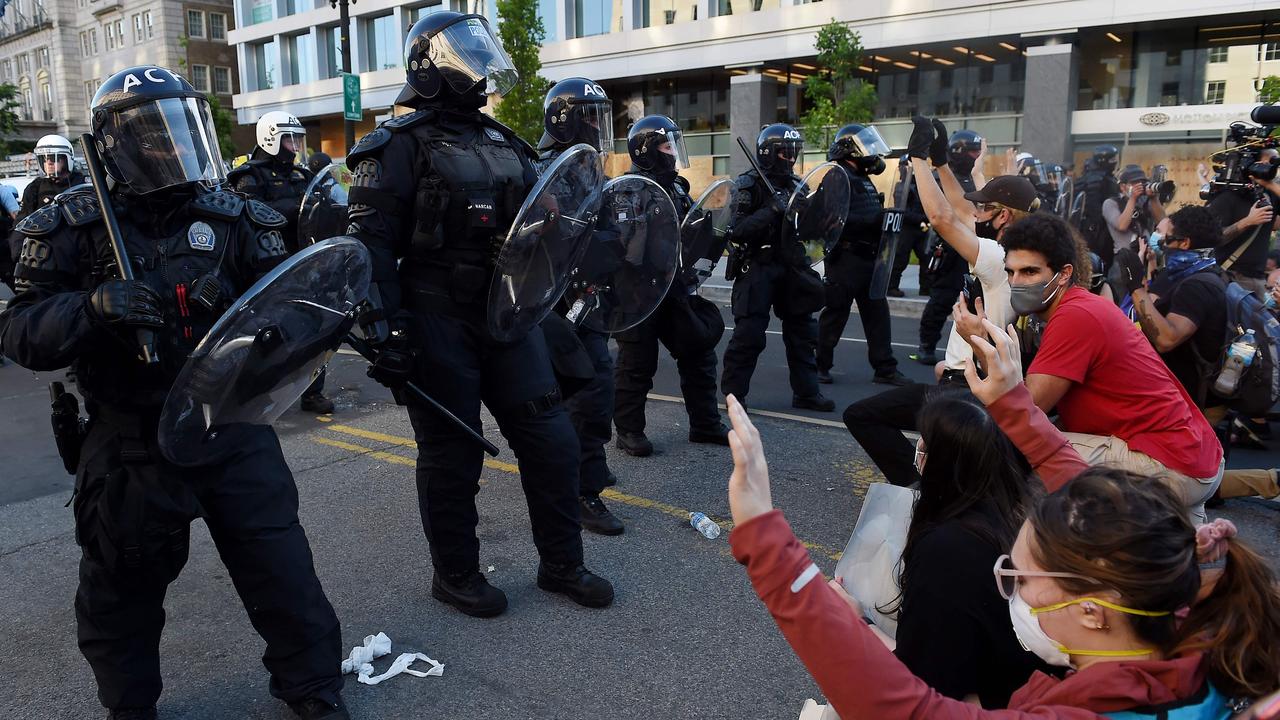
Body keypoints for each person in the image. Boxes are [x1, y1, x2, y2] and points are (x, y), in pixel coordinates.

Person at [0, 67, 348, 720]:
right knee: (121, 592)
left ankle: (313, 687)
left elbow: (295, 297)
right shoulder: (71, 225)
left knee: (283, 570)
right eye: (154, 135)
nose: (174, 148)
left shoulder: (238, 218)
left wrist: (289, 330)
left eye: (183, 130)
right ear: (114, 147)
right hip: (132, 434)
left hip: (232, 421)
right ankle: (130, 706)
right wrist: (91, 308)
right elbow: (19, 331)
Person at [725, 360, 1280, 718]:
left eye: (1017, 579)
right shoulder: (1184, 632)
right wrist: (1014, 403)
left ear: (1092, 611)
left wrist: (767, 540)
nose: (1009, 592)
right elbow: (1090, 494)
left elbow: (906, 713)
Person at [345, 11, 613, 618]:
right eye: (462, 51)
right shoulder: (392, 147)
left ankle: (562, 562)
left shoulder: (502, 142)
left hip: (506, 315)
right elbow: (368, 249)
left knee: (552, 440)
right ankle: (457, 574)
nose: (476, 62)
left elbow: (545, 219)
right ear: (428, 65)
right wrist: (384, 329)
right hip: (436, 319)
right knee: (453, 453)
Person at [842, 116, 1032, 488]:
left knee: (862, 415)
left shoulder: (998, 258)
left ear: (1004, 217)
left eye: (985, 209)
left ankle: (918, 489)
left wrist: (918, 159)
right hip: (965, 379)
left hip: (970, 389)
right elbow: (962, 211)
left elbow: (943, 218)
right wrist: (943, 161)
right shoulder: (1016, 252)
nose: (975, 213)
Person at [1000, 213, 1223, 521]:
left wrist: (982, 347)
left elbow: (1026, 411)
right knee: (1180, 562)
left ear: (1064, 274)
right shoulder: (1084, 305)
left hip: (1167, 462)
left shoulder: (1074, 316)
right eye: (1010, 272)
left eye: (1029, 272)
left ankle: (1035, 556)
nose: (1016, 282)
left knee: (1024, 449)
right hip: (1194, 456)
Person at [868, 387, 1048, 708]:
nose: (918, 452)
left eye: (923, 444)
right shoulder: (1020, 512)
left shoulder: (948, 549)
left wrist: (854, 626)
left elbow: (922, 686)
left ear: (943, 465)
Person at [1124, 209, 1279, 504]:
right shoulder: (1199, 273)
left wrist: (1134, 287)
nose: (1155, 238)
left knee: (1175, 482)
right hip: (1188, 397)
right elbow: (1151, 309)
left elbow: (1166, 338)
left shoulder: (1197, 286)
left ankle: (1271, 480)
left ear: (1183, 243)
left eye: (1161, 233)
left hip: (1194, 401)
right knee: (1186, 481)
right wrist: (1146, 275)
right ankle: (1271, 481)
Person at [534, 76, 624, 535]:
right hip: (558, 302)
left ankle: (591, 466)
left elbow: (601, 229)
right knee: (583, 395)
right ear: (564, 119)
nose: (596, 124)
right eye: (588, 115)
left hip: (591, 298)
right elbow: (547, 239)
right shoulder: (546, 170)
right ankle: (581, 491)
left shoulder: (589, 168)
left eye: (598, 115)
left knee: (596, 388)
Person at [612, 114, 729, 461]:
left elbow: (688, 232)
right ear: (647, 150)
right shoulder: (629, 189)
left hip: (674, 287)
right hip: (638, 292)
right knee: (637, 363)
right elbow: (626, 248)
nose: (674, 153)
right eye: (667, 146)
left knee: (698, 353)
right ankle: (629, 431)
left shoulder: (677, 186)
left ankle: (705, 423)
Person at [720, 123, 834, 411]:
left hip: (792, 267)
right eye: (785, 152)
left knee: (802, 334)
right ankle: (734, 396)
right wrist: (771, 209)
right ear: (769, 153)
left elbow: (810, 231)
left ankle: (807, 393)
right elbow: (734, 230)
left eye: (794, 152)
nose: (791, 159)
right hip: (758, 267)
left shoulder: (798, 185)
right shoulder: (747, 185)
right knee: (749, 336)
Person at [229, 112, 335, 414]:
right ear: (270, 138)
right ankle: (251, 392)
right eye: (288, 139)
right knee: (266, 334)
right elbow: (247, 214)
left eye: (295, 139)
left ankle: (312, 392)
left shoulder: (302, 175)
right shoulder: (250, 176)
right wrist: (294, 208)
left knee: (317, 328)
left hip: (305, 261)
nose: (294, 146)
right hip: (269, 268)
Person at [816, 123, 909, 387]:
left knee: (877, 314)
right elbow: (833, 221)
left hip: (868, 258)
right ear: (850, 150)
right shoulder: (837, 176)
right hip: (845, 259)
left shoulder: (861, 177)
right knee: (835, 314)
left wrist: (886, 221)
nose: (872, 154)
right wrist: (874, 221)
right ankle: (820, 365)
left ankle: (885, 367)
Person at [910, 126, 986, 366]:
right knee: (941, 300)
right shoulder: (940, 177)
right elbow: (940, 213)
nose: (976, 157)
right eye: (973, 152)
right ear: (959, 152)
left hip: (972, 249)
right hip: (949, 250)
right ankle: (926, 344)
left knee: (974, 302)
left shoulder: (972, 179)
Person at [1208, 147, 1279, 300]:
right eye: (1269, 162)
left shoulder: (1269, 194)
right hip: (1232, 277)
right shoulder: (1227, 197)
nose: (1272, 168)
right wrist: (1248, 221)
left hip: (1258, 279)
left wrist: (1271, 185)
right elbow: (1213, 238)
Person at [886, 156, 930, 299]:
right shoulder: (902, 187)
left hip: (919, 228)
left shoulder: (918, 185)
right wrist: (922, 218)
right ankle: (891, 287)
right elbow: (903, 211)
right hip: (907, 229)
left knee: (926, 257)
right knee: (900, 258)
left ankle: (925, 287)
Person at [1103, 164, 1165, 262]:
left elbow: (1162, 221)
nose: (1139, 185)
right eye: (1135, 183)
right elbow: (1122, 225)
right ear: (1123, 187)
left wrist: (1154, 198)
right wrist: (1133, 198)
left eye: (1142, 182)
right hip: (1125, 259)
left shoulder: (1143, 201)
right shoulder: (1110, 203)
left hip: (1147, 257)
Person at [19, 135, 87, 220]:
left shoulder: (82, 185)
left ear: (67, 159)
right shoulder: (34, 188)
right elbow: (21, 222)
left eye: (53, 158)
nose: (48, 162)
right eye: (44, 159)